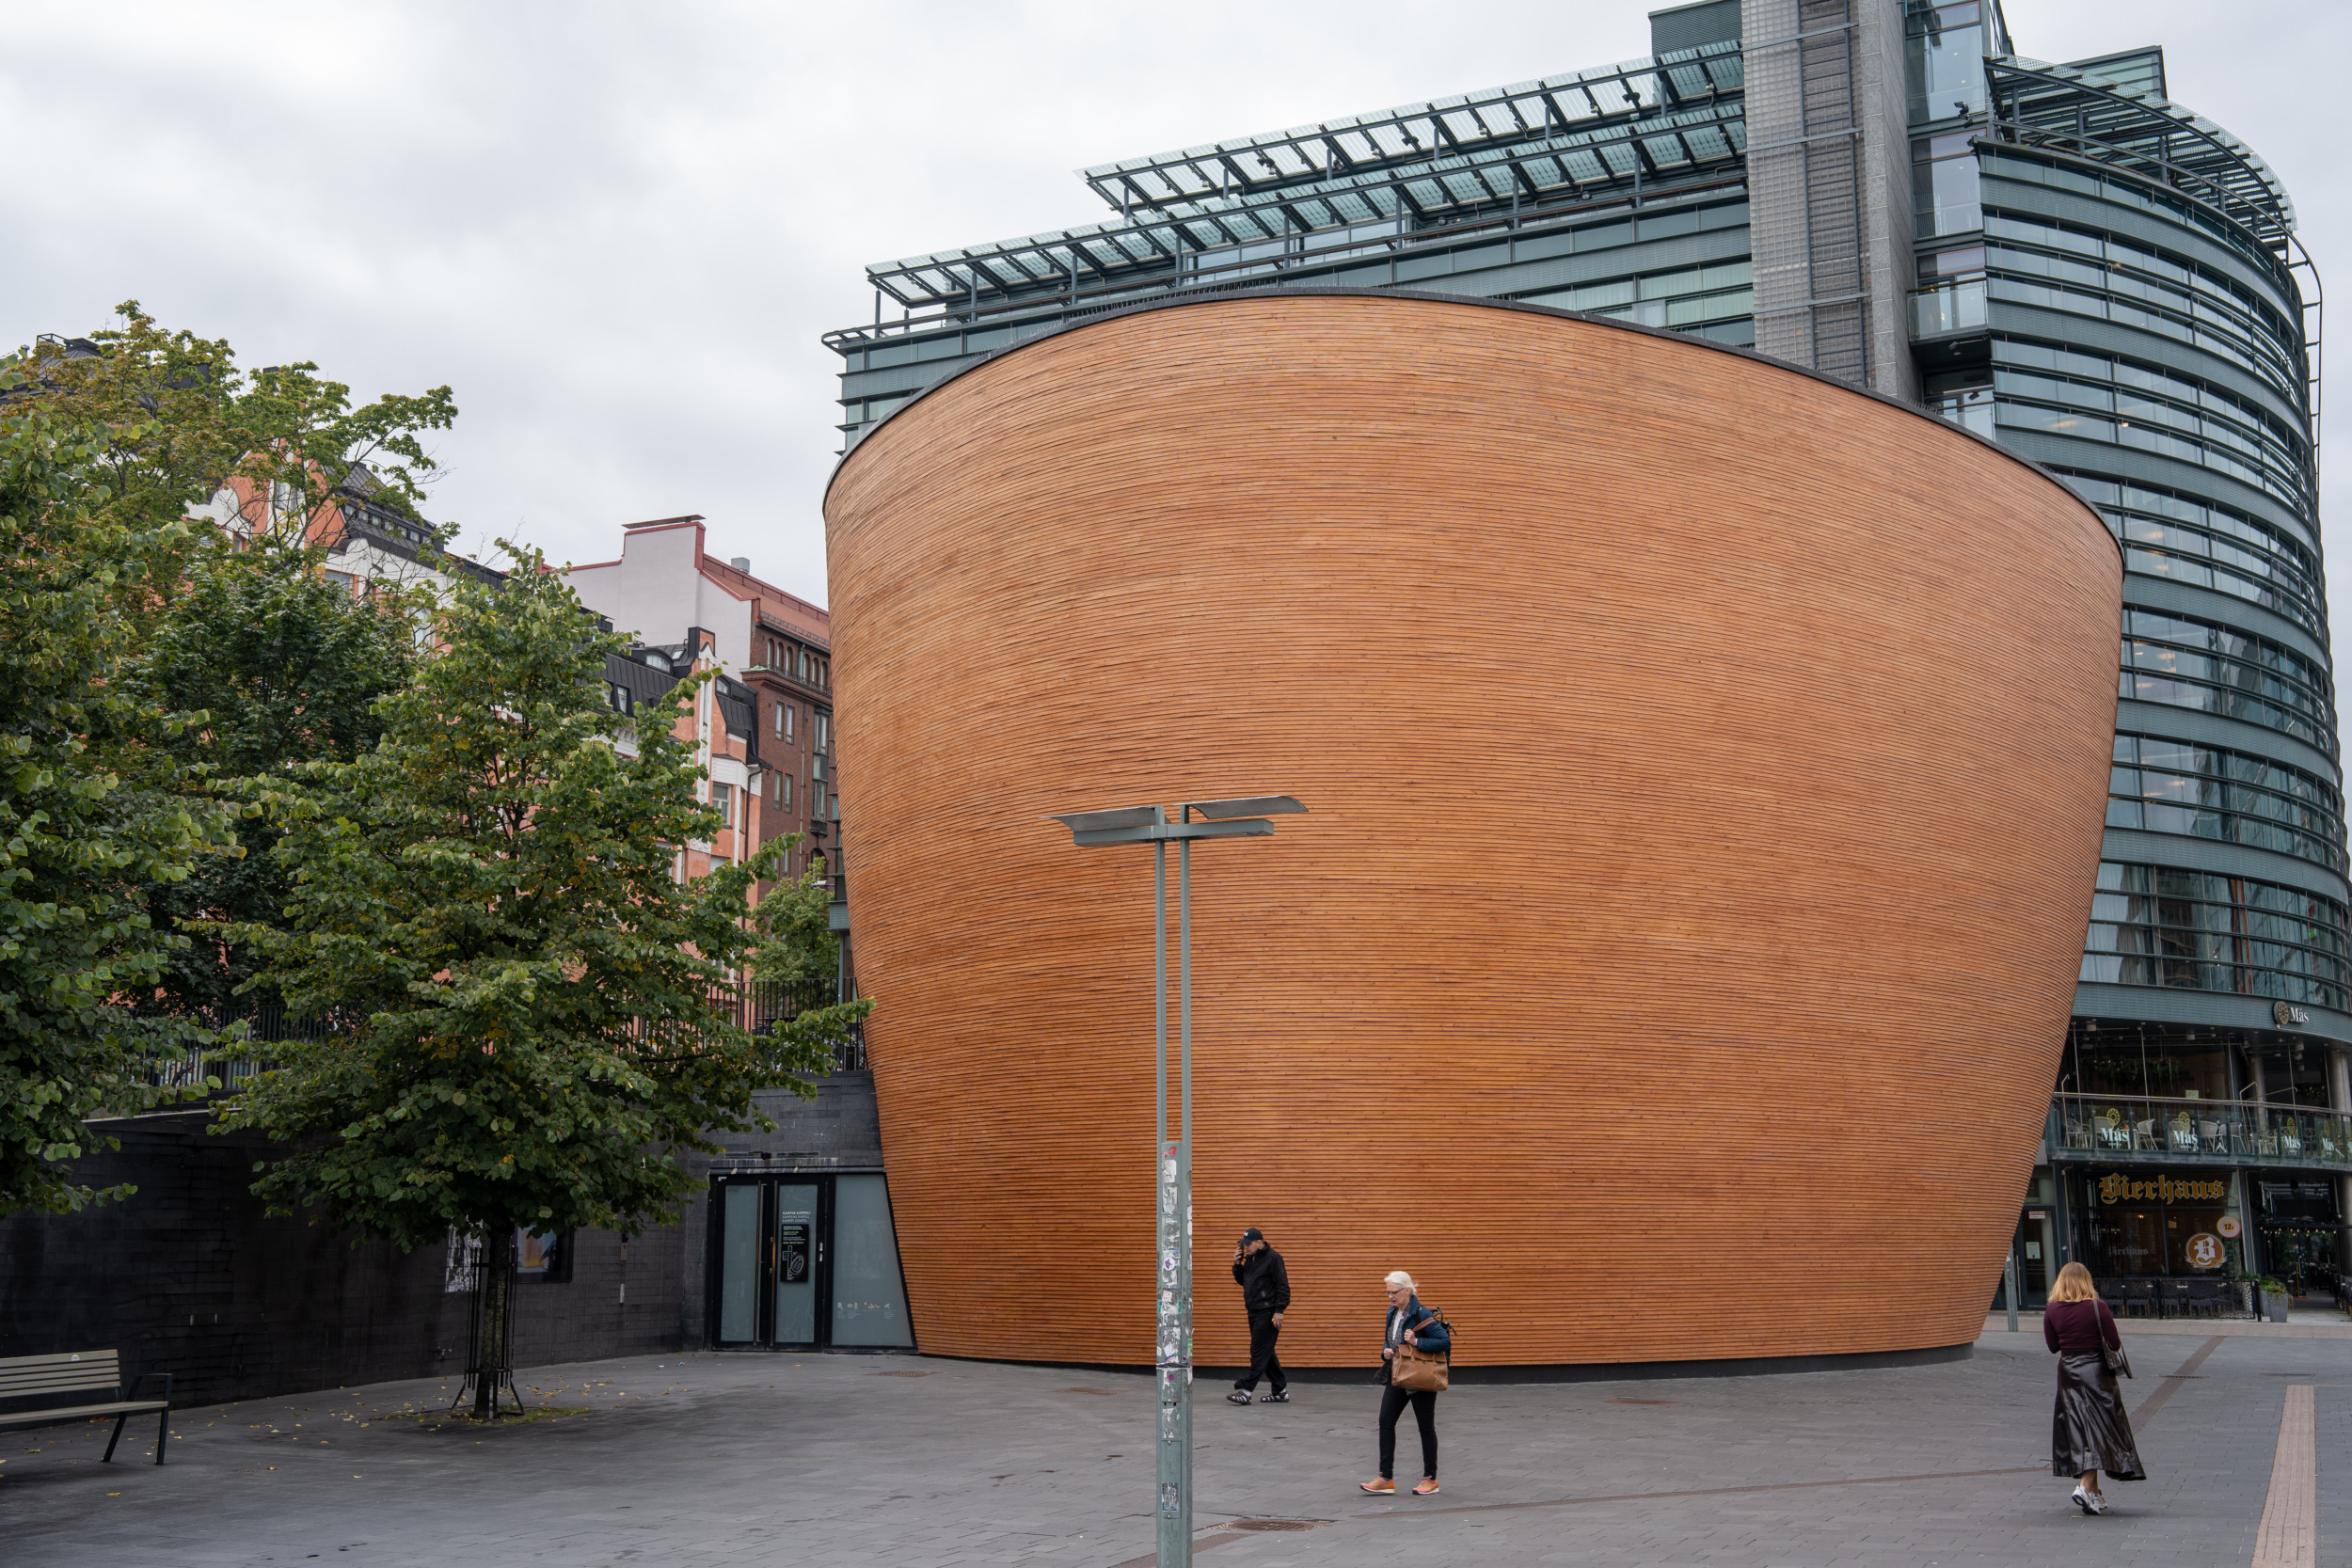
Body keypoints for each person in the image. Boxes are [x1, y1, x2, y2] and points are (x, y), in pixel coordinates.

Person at [2043, 1261, 2144, 1513]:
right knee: (2102, 1428)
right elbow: (2114, 1342)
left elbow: (2053, 1346)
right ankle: (2084, 1486)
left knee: (2080, 1429)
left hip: (2068, 1373)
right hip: (2098, 1373)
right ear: (2086, 1281)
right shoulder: (2097, 1307)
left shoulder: (2052, 1309)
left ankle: (2095, 1495)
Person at [1360, 1269, 1449, 1497]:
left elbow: (1443, 1341)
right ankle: (1385, 1478)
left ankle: (1431, 1479)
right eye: (1387, 1292)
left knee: (1425, 1427)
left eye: (1393, 1292)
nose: (1390, 1296)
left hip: (1420, 1377)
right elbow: (1388, 1339)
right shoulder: (1392, 1312)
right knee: (1385, 1421)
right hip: (1398, 1375)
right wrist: (1385, 1352)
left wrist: (1417, 1340)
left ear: (1407, 1290)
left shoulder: (1421, 1313)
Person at [1228, 1227, 1291, 1404]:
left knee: (1258, 1352)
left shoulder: (1273, 1259)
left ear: (1259, 1243)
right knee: (1266, 1353)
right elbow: (1243, 1282)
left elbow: (1283, 1287)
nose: (1245, 1247)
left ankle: (1246, 1391)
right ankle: (1280, 1391)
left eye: (1248, 1244)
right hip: (1253, 1311)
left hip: (1268, 1312)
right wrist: (1237, 1265)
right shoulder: (1250, 1260)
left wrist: (1279, 1311)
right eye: (1244, 1245)